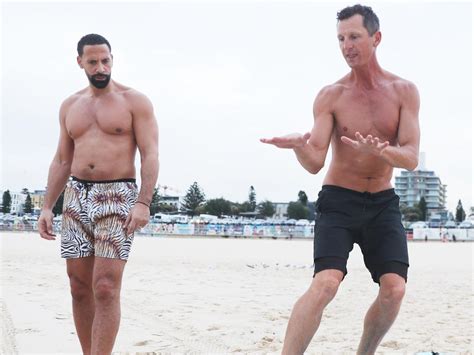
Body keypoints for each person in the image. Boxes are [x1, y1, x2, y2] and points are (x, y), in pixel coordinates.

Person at [261, 5, 420, 354]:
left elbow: (409, 157)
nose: (347, 45)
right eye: (341, 39)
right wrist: (299, 148)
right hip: (339, 201)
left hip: (382, 203)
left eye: (354, 37)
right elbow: (315, 162)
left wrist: (383, 153)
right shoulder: (330, 95)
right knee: (326, 284)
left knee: (394, 289)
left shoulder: (403, 91)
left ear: (376, 38)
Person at [38, 33, 159, 354]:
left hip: (118, 196)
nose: (101, 67)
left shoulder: (135, 101)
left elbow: (151, 154)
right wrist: (47, 206)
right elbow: (63, 159)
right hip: (76, 196)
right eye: (93, 62)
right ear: (80, 62)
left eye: (105, 60)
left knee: (104, 287)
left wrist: (144, 202)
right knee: (78, 287)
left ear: (112, 59)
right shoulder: (70, 106)